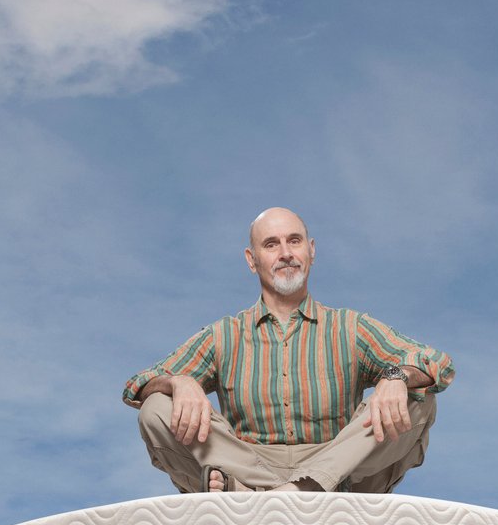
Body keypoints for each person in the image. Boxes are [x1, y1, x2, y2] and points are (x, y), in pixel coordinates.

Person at [126, 207, 452, 494]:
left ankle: (296, 490)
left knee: (419, 396)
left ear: (311, 251)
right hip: (247, 467)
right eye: (271, 244)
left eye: (294, 241)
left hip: (342, 474)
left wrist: (395, 377)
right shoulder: (223, 335)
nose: (285, 253)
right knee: (156, 407)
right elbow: (139, 385)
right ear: (252, 260)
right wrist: (179, 382)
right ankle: (272, 491)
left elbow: (436, 362)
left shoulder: (351, 327)